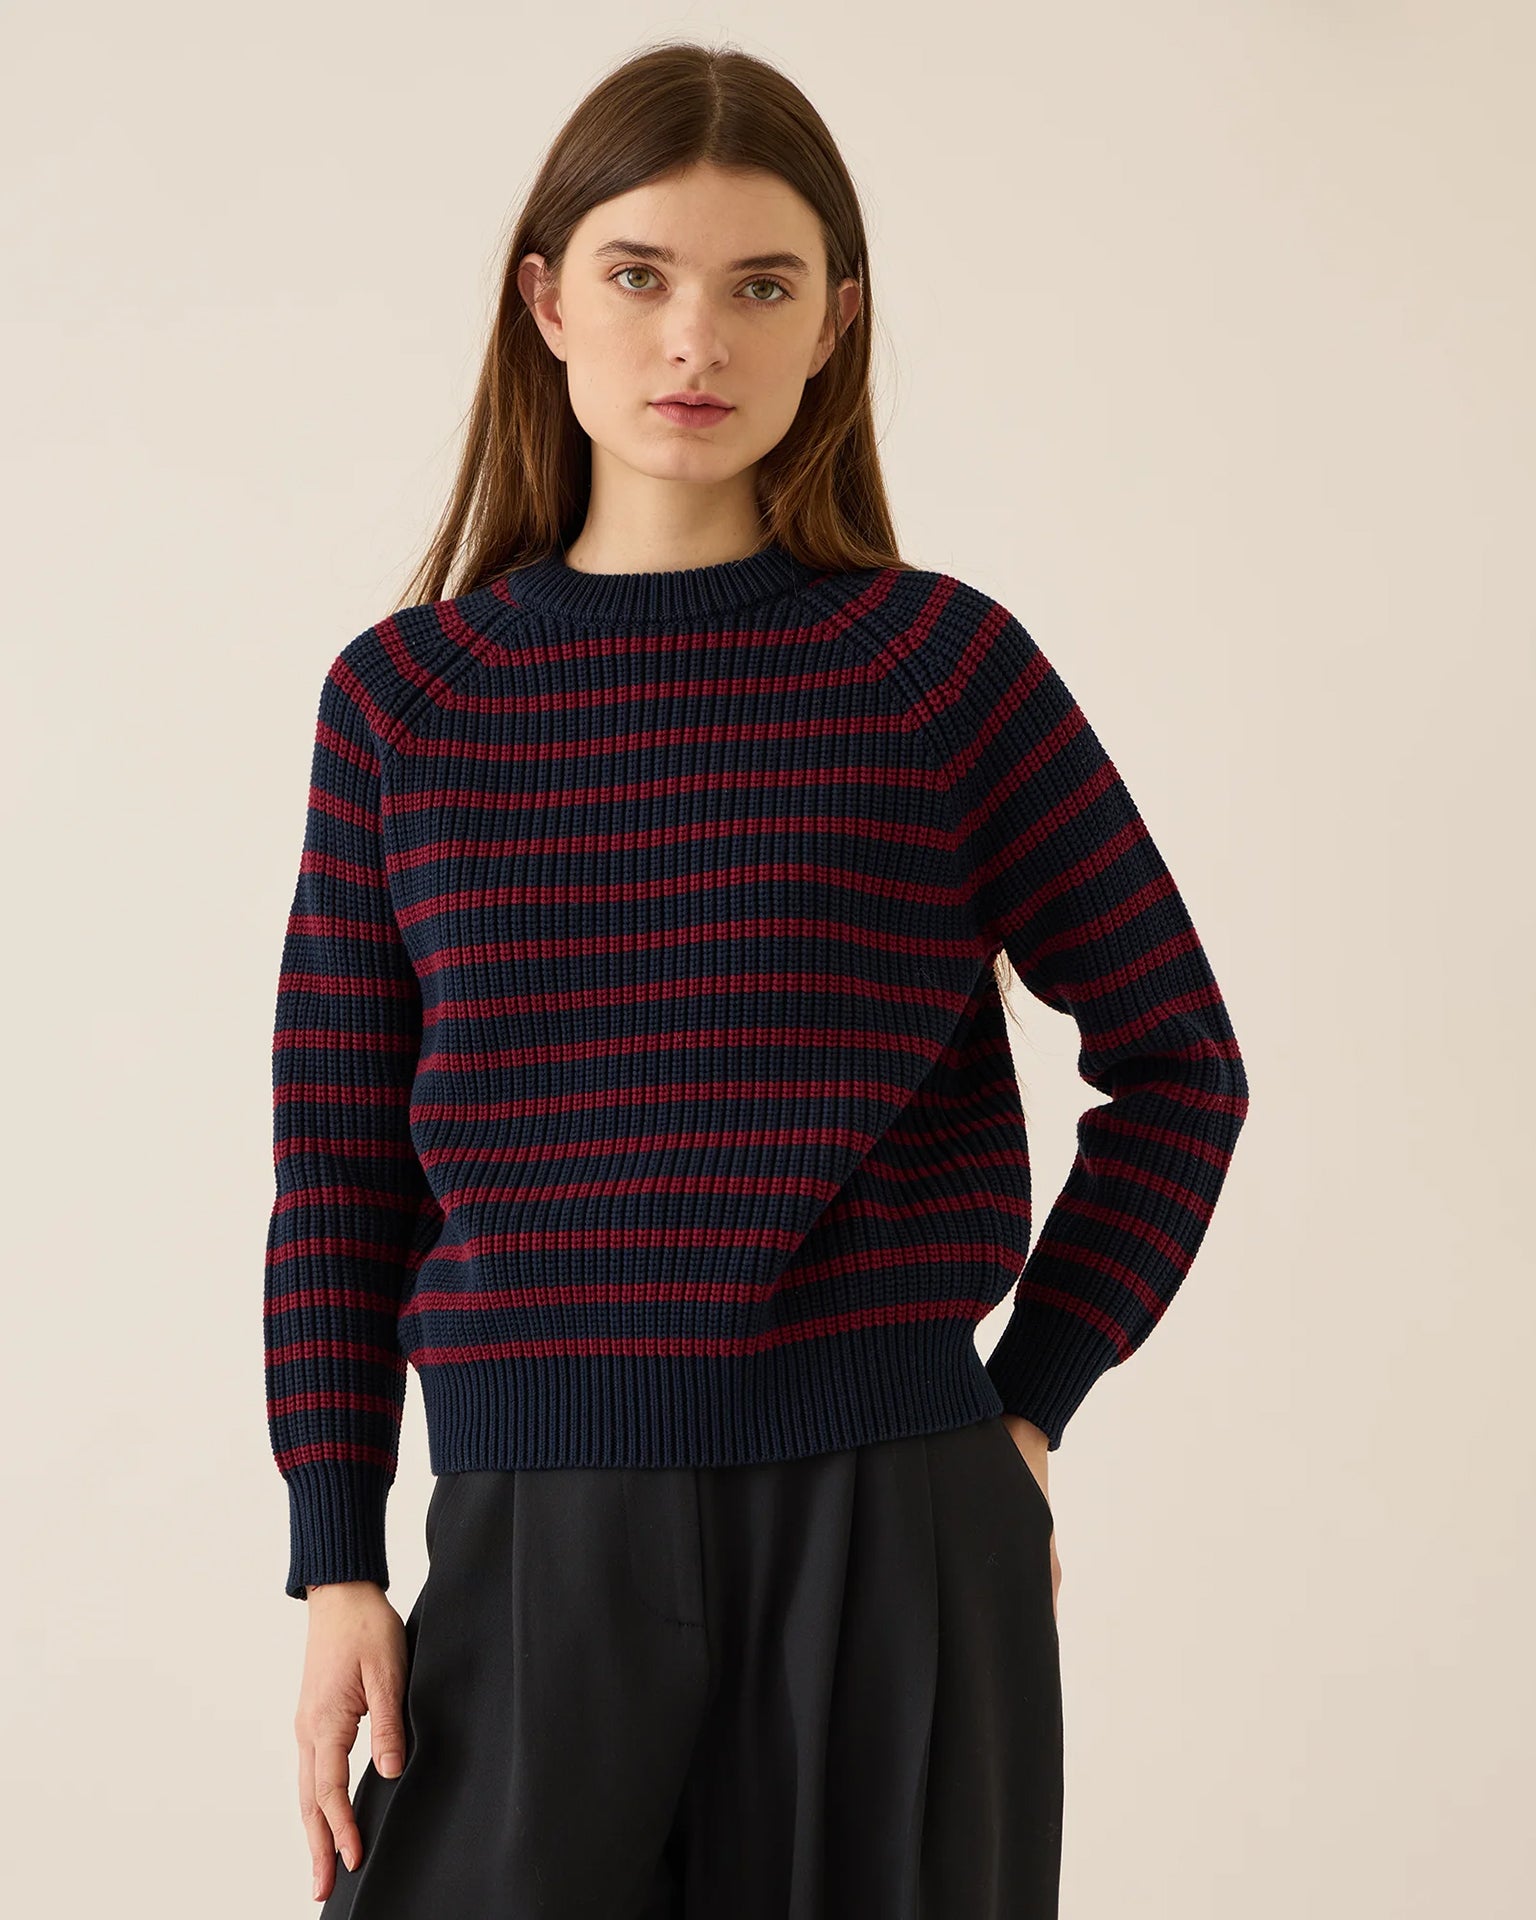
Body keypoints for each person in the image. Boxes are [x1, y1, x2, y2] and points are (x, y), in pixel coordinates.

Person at [263, 40, 1250, 1920]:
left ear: (834, 326)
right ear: (547, 300)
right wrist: (336, 1561)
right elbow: (338, 1170)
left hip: (893, 1516)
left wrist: (1026, 1410)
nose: (693, 338)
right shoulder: (409, 704)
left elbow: (1179, 1066)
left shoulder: (939, 671)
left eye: (761, 285)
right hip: (532, 1533)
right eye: (639, 275)